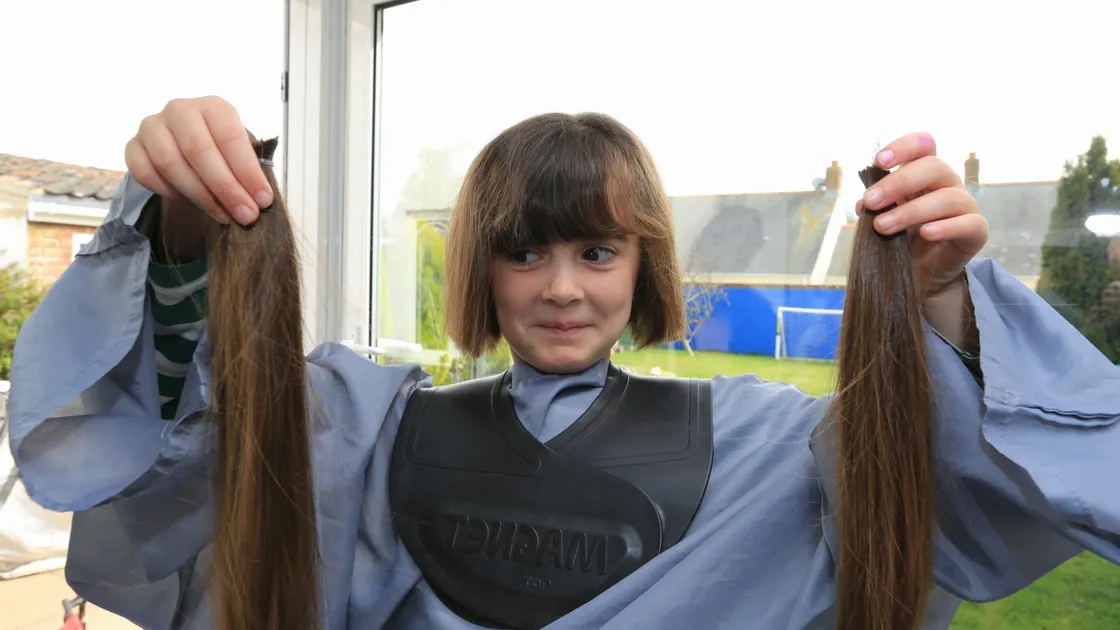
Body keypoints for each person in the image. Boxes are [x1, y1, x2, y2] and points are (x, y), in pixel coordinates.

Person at [8, 95, 1120, 630]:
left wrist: (941, 304)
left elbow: (997, 486)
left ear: (646, 264)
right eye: (520, 250)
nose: (559, 288)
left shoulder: (779, 456)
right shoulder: (357, 437)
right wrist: (184, 245)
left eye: (597, 250)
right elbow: (172, 449)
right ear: (480, 271)